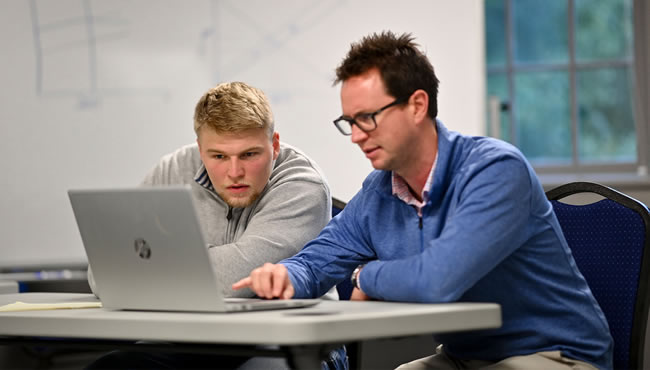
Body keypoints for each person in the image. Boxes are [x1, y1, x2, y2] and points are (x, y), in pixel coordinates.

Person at [233, 32, 613, 370]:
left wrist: (365, 275)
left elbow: (437, 281)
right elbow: (317, 262)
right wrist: (285, 276)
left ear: (417, 105)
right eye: (350, 121)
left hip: (556, 355)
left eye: (368, 117)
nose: (356, 136)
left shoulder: (496, 171)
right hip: (464, 357)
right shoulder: (378, 191)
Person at [86, 81, 346, 369]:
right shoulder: (173, 169)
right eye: (219, 156)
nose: (235, 172)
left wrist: (162, 261)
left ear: (274, 145)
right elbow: (104, 272)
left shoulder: (302, 184)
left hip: (292, 344)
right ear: (200, 149)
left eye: (249, 154)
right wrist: (203, 260)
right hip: (192, 340)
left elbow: (235, 281)